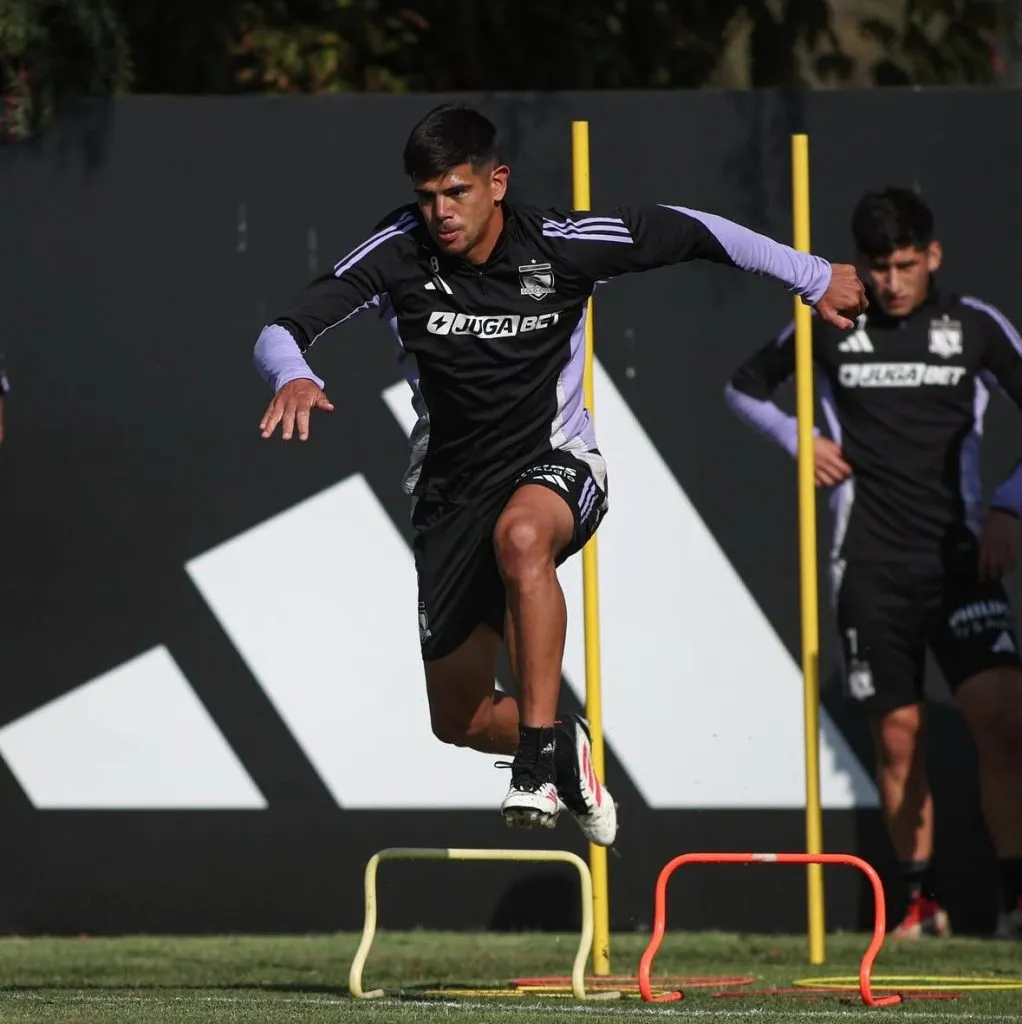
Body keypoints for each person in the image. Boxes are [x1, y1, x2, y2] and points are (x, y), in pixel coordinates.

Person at [253, 103, 866, 846]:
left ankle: (538, 762)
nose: (440, 213)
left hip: (559, 463)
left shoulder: (561, 243)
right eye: (427, 196)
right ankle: (562, 746)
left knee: (521, 537)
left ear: (497, 183)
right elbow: (283, 329)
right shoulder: (400, 250)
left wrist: (811, 276)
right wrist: (292, 374)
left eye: (457, 192)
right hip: (451, 494)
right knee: (458, 719)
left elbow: (691, 229)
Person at [725, 186, 1022, 939]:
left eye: (906, 265)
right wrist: (801, 440)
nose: (891, 282)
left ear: (933, 257)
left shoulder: (975, 326)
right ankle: (921, 904)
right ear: (858, 262)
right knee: (897, 738)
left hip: (962, 563)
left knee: (1002, 717)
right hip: (868, 565)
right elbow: (743, 389)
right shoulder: (832, 324)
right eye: (878, 266)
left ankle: (1016, 899)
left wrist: (1010, 506)